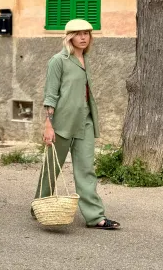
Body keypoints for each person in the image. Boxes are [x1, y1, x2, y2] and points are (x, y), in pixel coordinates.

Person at [32, 19, 120, 230]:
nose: (83, 37)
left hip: (85, 122)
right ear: (69, 36)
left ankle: (95, 217)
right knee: (52, 168)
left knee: (86, 169)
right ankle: (40, 205)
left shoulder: (86, 59)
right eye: (78, 33)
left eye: (86, 33)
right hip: (61, 123)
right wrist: (48, 125)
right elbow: (50, 95)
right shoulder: (58, 61)